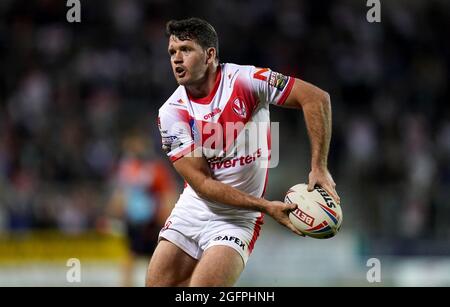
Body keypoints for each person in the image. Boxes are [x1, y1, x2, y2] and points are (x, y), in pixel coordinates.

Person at [146, 17, 340, 287]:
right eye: (172, 52)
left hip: (237, 220)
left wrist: (319, 166)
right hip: (194, 208)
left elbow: (316, 98)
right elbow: (202, 183)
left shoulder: (246, 80)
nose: (177, 59)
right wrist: (266, 206)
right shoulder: (171, 113)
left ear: (210, 54)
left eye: (186, 50)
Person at [106, 132, 176, 286]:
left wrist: (167, 217)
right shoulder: (127, 168)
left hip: (152, 221)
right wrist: (115, 212)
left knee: (153, 259)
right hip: (134, 221)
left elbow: (166, 193)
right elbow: (121, 193)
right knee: (132, 257)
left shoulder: (155, 168)